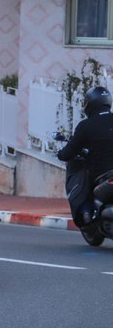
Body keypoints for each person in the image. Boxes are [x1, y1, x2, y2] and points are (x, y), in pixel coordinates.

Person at [57, 86, 113, 226]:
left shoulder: (86, 126)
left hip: (102, 172)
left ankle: (87, 213)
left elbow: (71, 150)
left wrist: (61, 154)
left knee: (84, 180)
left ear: (89, 103)